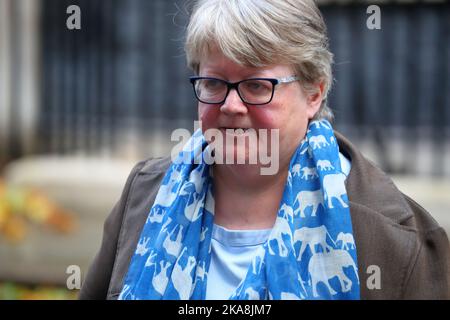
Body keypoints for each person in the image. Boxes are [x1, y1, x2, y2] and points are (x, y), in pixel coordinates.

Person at [79, 0, 449, 300]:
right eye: (213, 82)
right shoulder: (144, 197)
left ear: (314, 93)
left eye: (257, 85)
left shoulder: (396, 239)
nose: (230, 106)